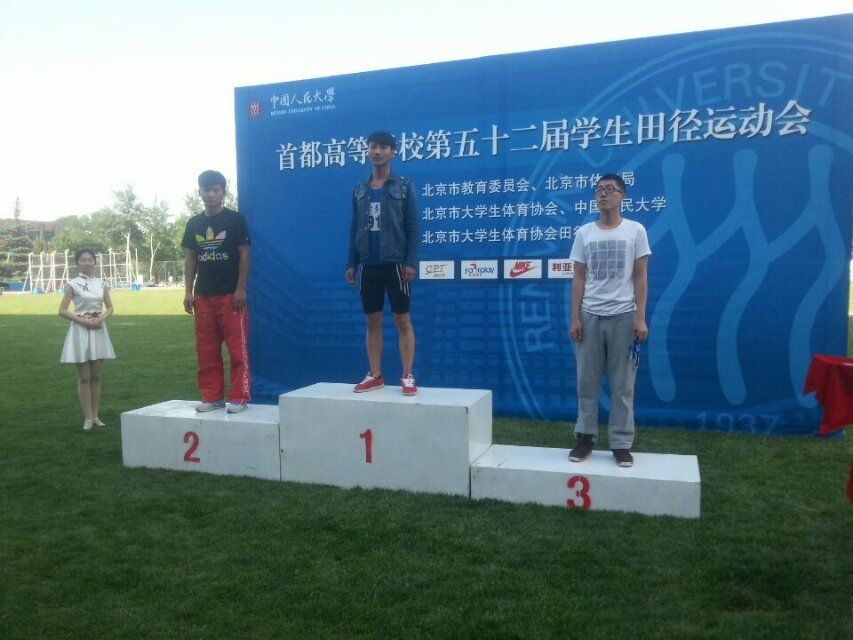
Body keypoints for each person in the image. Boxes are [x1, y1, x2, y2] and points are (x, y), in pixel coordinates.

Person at [568, 173, 651, 467]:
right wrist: (575, 317)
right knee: (586, 383)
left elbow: (640, 276)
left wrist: (640, 317)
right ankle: (585, 438)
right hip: (590, 315)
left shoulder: (635, 231)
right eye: (599, 190)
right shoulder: (584, 233)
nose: (603, 194)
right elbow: (578, 277)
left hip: (624, 316)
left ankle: (621, 442)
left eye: (610, 189)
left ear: (622, 196)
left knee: (623, 385)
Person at [345, 131, 420, 395]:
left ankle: (407, 375)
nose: (377, 152)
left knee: (402, 319)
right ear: (368, 151)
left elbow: (413, 227)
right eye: (373, 147)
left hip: (396, 263)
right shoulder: (360, 190)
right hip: (368, 265)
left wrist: (411, 262)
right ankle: (375, 374)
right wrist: (351, 262)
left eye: (383, 147)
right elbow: (354, 227)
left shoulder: (404, 186)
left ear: (392, 152)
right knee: (372, 321)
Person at [181, 170, 251, 413]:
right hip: (203, 295)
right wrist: (188, 291)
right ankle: (212, 396)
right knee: (206, 350)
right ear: (199, 192)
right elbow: (191, 258)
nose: (210, 194)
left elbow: (244, 254)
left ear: (223, 192)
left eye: (215, 189)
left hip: (230, 296)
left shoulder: (234, 220)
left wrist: (240, 288)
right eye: (206, 189)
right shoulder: (194, 223)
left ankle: (240, 397)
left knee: (237, 350)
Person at [59, 249, 116, 430]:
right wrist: (83, 321)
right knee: (84, 377)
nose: (87, 262)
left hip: (98, 329)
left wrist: (100, 319)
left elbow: (110, 308)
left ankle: (96, 416)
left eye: (90, 259)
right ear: (77, 263)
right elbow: (62, 310)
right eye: (83, 260)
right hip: (80, 330)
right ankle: (88, 417)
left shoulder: (102, 283)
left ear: (94, 262)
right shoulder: (72, 284)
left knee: (96, 377)